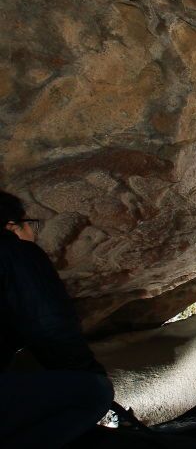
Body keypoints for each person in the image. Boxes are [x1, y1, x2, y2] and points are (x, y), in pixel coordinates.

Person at [0, 190, 114, 447]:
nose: (33, 233)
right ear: (12, 226)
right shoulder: (15, 251)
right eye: (30, 225)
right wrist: (90, 375)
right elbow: (48, 324)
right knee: (93, 392)